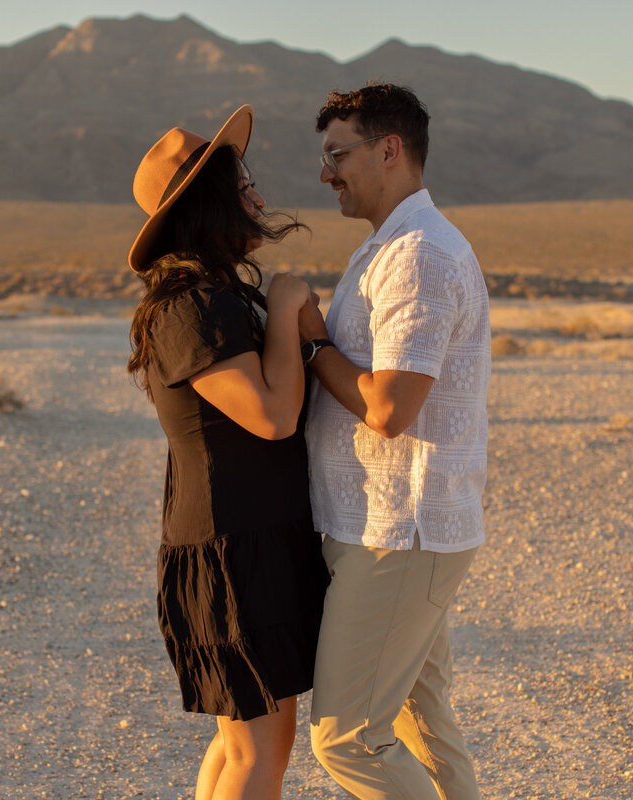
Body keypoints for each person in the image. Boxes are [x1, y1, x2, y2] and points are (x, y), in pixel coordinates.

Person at [126, 105, 330, 799]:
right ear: (210, 201)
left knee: (241, 743)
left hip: (245, 540)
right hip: (232, 549)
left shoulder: (210, 296)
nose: (261, 200)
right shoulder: (191, 305)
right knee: (258, 751)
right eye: (245, 188)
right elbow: (271, 416)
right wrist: (284, 307)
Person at [298, 84, 490, 799]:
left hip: (400, 534)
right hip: (393, 528)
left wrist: (312, 339)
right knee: (423, 722)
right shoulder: (388, 248)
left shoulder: (417, 255)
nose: (326, 175)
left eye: (337, 154)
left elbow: (390, 408)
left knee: (349, 738)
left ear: (389, 150)